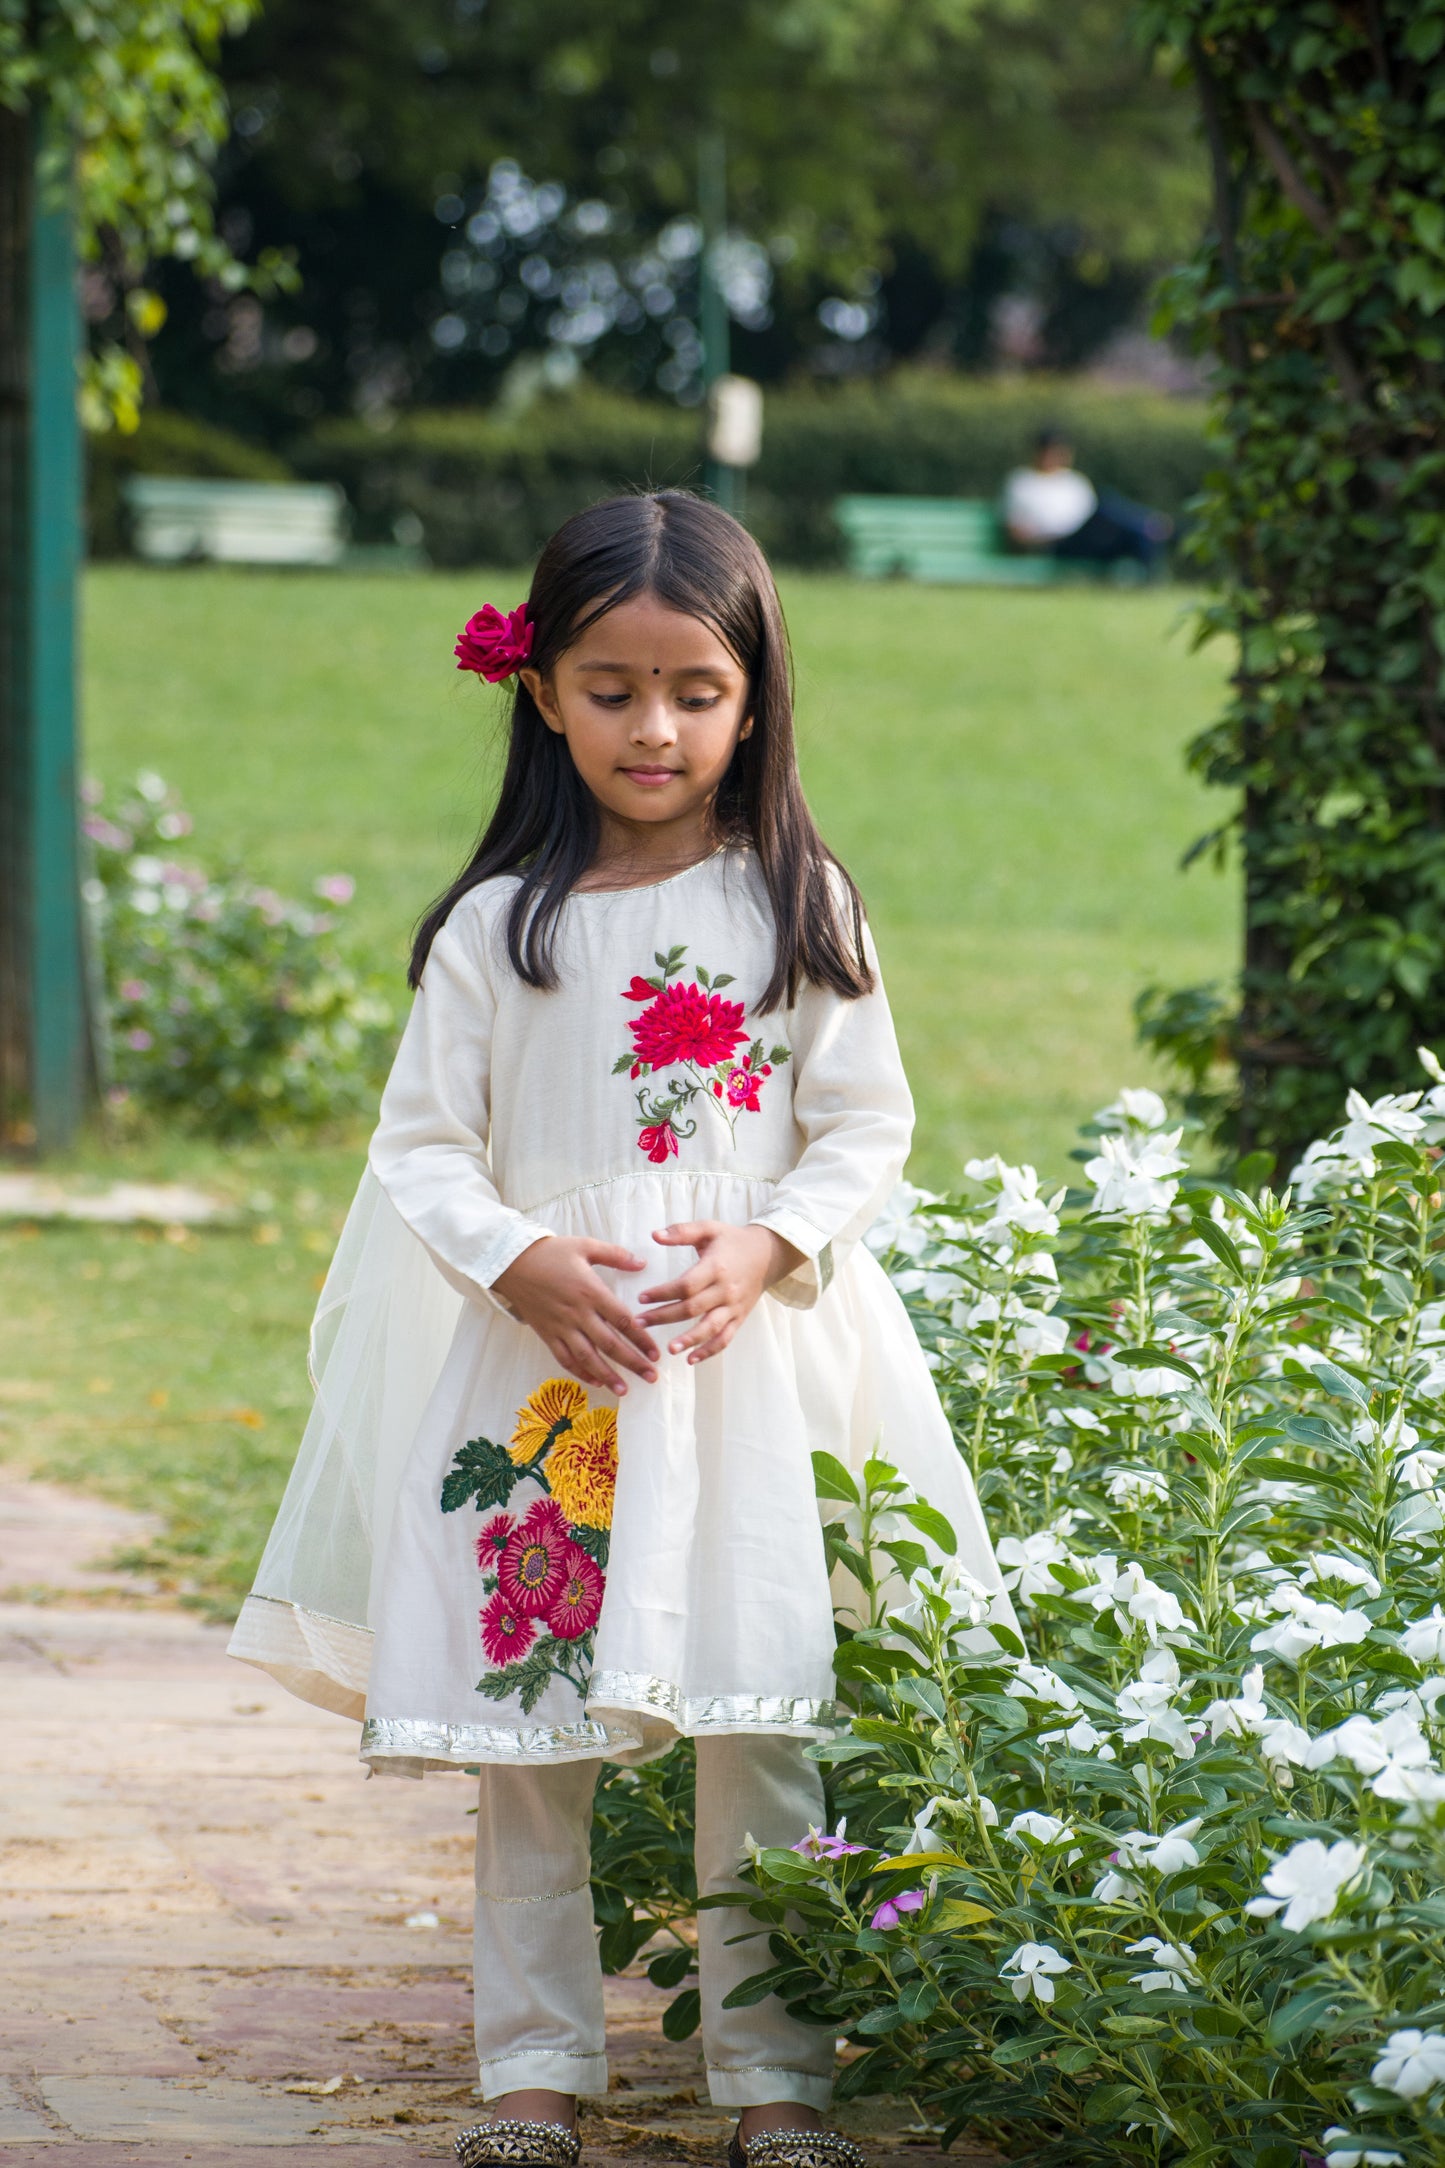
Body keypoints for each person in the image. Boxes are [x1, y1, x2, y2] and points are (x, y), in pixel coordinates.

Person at [228, 491, 1010, 2168]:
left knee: (765, 1713)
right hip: (554, 1382)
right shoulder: (496, 927)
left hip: (749, 1373)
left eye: (695, 691)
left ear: (755, 696)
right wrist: (515, 1260)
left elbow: (866, 1125)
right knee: (533, 1728)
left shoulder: (800, 906)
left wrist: (774, 1239)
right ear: (540, 688)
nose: (654, 728)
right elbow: (422, 1143)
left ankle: (774, 2073)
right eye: (610, 687)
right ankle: (532, 2065)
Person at [1002, 426, 1173, 574]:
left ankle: (1148, 533)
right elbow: (1017, 533)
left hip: (1089, 538)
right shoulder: (1021, 482)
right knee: (1107, 504)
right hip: (1060, 544)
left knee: (1133, 533)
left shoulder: (1075, 481)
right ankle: (1153, 524)